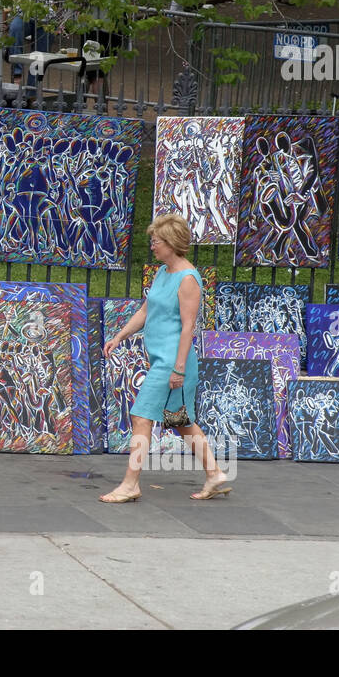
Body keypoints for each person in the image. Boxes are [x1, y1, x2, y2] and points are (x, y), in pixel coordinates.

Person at [98, 214, 232, 503]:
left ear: (172, 243)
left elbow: (188, 326)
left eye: (156, 241)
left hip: (173, 362)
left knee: (141, 415)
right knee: (180, 421)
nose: (153, 246)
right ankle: (215, 474)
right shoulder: (162, 273)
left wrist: (179, 369)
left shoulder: (188, 279)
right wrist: (119, 336)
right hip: (164, 360)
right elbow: (145, 311)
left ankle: (130, 484)